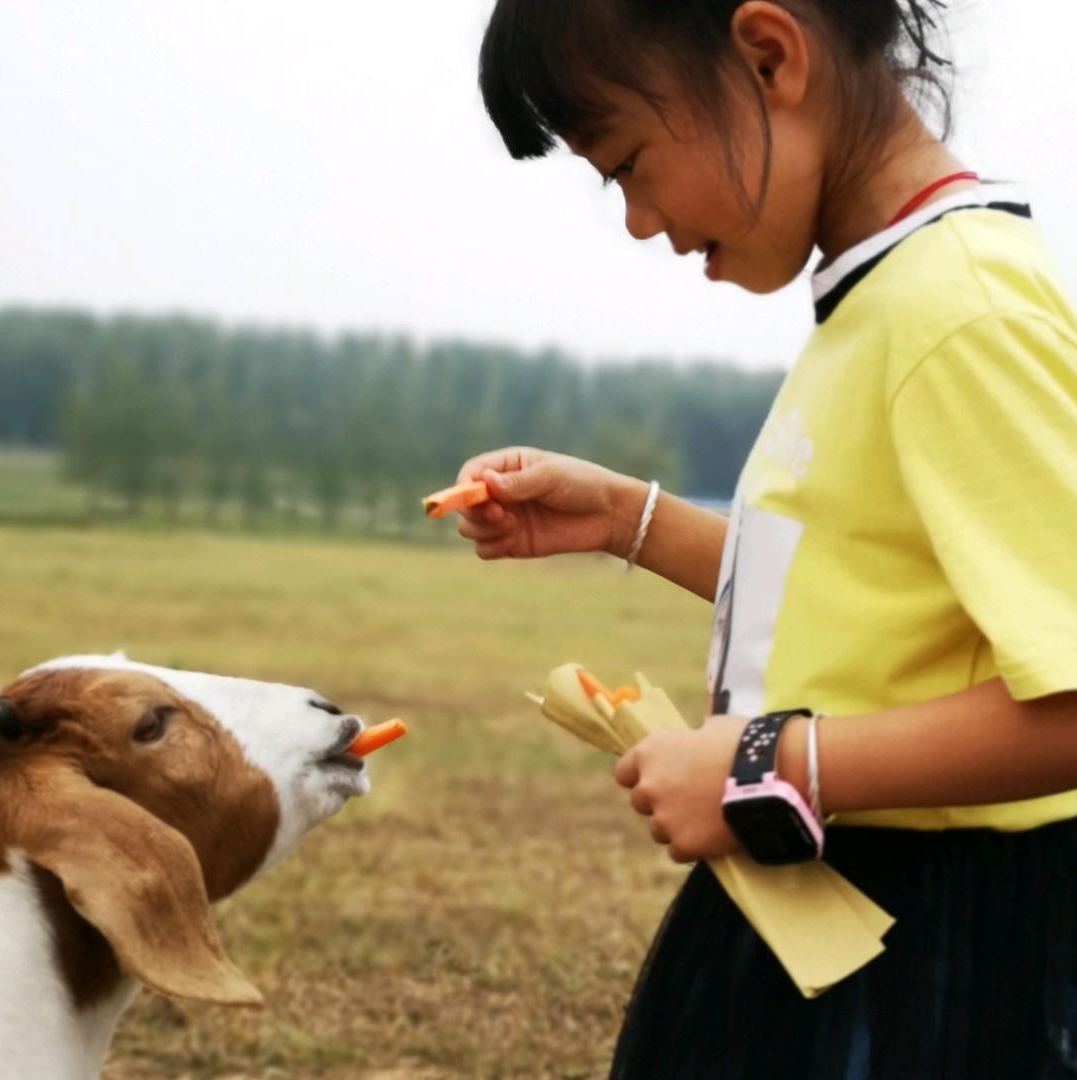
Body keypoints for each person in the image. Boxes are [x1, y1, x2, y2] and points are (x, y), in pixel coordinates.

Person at [456, 1, 1077, 1076]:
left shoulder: (959, 309)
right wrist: (627, 520)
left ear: (767, 53)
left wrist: (767, 763)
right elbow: (859, 588)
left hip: (934, 961)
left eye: (631, 162)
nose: (639, 219)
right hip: (842, 912)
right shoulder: (883, 296)